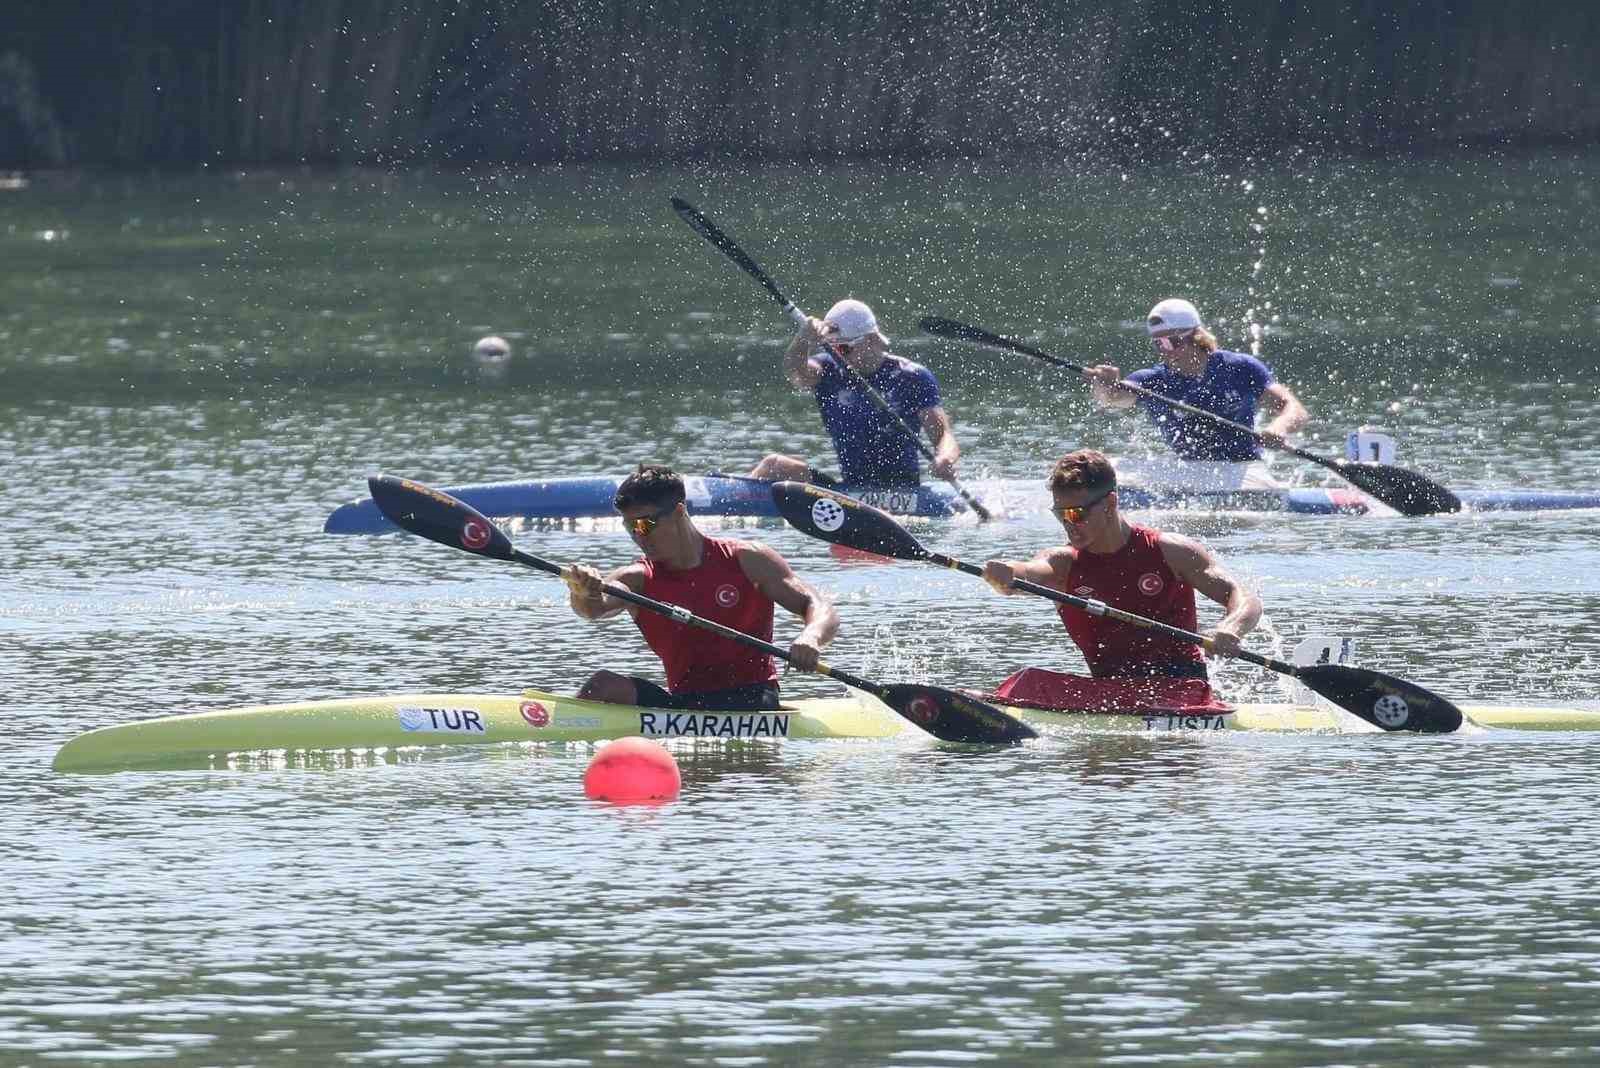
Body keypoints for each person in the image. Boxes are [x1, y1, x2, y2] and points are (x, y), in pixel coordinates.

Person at [980, 450, 1261, 700]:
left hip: (1182, 692)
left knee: (1030, 685)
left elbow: (1243, 597)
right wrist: (1005, 573)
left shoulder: (1169, 551)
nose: (1068, 524)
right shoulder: (1063, 564)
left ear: (1109, 503)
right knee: (1027, 680)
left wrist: (1231, 628)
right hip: (1109, 693)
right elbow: (1027, 575)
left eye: (1076, 514)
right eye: (1059, 514)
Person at [561, 463, 838, 710]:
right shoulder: (638, 578)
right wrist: (582, 589)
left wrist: (811, 637)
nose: (637, 536)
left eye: (644, 524)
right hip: (684, 703)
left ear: (679, 511)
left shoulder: (747, 559)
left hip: (753, 699)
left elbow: (819, 606)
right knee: (603, 686)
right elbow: (593, 609)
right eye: (629, 527)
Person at [750, 298, 962, 487]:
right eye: (831, 348)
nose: (836, 355)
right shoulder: (828, 370)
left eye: (843, 349)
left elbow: (943, 435)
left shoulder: (913, 377)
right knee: (774, 465)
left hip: (902, 490)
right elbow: (796, 373)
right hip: (850, 488)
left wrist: (945, 458)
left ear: (870, 340)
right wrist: (803, 340)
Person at [1086, 298, 1309, 463]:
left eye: (1172, 342)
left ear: (1196, 336)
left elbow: (1294, 409)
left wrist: (1278, 429)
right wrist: (1105, 385)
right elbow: (1114, 399)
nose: (1165, 351)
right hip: (1189, 470)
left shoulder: (1240, 367)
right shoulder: (1153, 380)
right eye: (1158, 344)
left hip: (1243, 467)